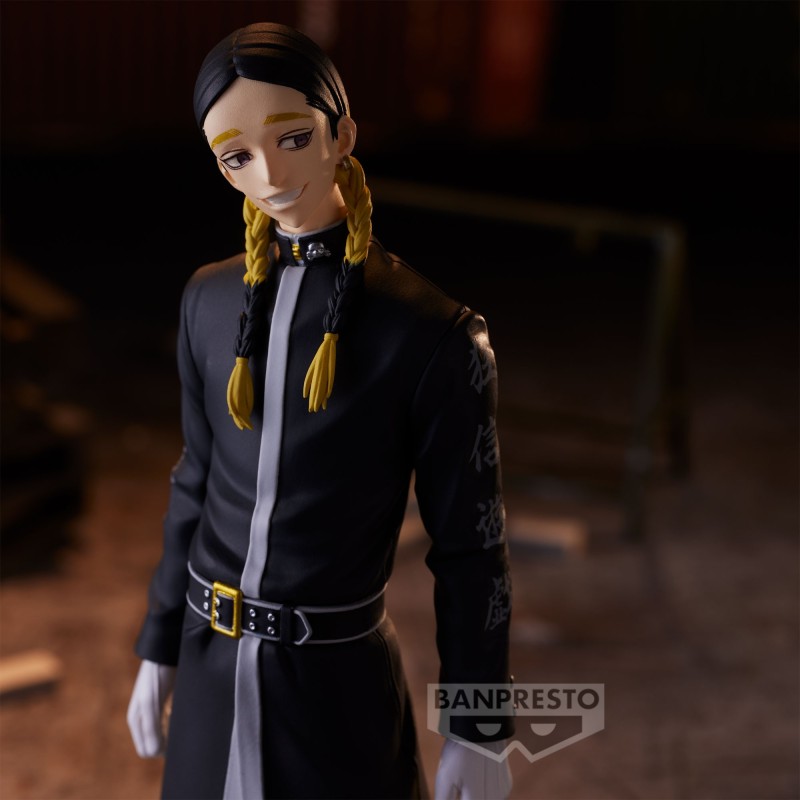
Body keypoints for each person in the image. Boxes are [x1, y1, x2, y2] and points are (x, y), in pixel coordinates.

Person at [126, 22, 513, 800]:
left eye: (293, 137)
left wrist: (479, 726)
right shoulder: (207, 302)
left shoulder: (432, 333)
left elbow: (470, 546)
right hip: (208, 670)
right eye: (236, 156)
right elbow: (195, 478)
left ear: (343, 134)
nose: (269, 173)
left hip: (335, 689)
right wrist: (160, 640)